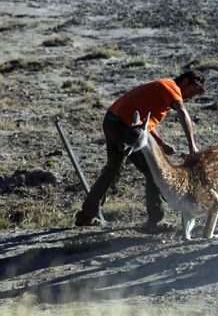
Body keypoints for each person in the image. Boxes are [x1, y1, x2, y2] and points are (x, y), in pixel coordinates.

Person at [74, 71, 205, 231]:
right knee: (154, 171)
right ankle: (156, 223)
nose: (189, 98)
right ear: (184, 82)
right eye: (191, 92)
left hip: (112, 120)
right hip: (125, 125)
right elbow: (182, 112)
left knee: (113, 170)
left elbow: (144, 122)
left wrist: (161, 143)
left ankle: (86, 216)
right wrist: (192, 145)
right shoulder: (170, 87)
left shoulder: (160, 88)